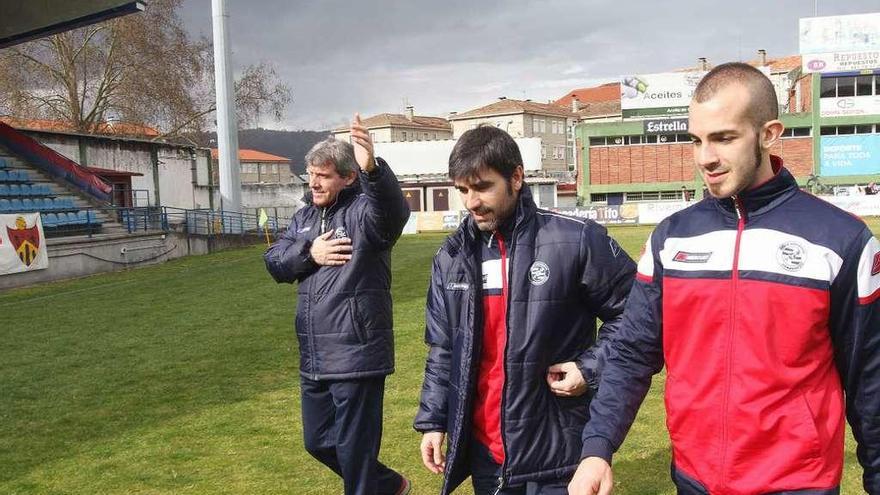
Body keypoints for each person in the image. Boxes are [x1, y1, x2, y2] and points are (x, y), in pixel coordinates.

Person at [570, 62, 880, 495]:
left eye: (724, 138)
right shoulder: (671, 239)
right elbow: (631, 352)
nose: (705, 157)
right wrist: (597, 449)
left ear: (769, 133)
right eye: (696, 140)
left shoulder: (841, 240)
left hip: (797, 483)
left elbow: (870, 377)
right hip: (695, 480)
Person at [414, 126, 637, 495]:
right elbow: (442, 348)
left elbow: (636, 314)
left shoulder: (576, 239)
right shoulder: (451, 257)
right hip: (485, 455)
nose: (471, 202)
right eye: (463, 190)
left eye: (482, 186)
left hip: (557, 454)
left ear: (516, 177)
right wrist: (434, 421)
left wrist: (590, 368)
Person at [264, 115, 411, 495]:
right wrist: (309, 252)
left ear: (347, 177)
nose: (313, 182)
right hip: (314, 354)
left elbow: (393, 213)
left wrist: (373, 169)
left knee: (355, 451)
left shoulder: (364, 213)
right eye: (311, 174)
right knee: (318, 442)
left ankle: (376, 485)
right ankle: (389, 485)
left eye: (324, 175)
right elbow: (275, 262)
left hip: (356, 353)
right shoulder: (303, 219)